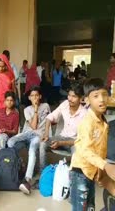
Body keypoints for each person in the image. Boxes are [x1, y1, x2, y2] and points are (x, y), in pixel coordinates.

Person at [70, 78, 115, 211]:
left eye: (104, 95)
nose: (101, 99)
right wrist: (105, 166)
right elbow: (84, 150)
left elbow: (100, 150)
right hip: (80, 172)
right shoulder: (87, 123)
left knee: (90, 207)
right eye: (96, 96)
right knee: (81, 208)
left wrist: (100, 171)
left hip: (92, 171)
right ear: (87, 100)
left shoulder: (102, 118)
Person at [7, 86, 51, 195]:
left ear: (40, 96)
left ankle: (27, 179)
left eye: (37, 95)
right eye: (32, 96)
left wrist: (36, 111)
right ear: (29, 98)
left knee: (32, 149)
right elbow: (32, 126)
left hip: (38, 135)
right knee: (10, 142)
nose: (35, 98)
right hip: (27, 133)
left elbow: (37, 127)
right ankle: (19, 165)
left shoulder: (45, 106)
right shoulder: (26, 110)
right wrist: (34, 110)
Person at [40, 82, 87, 171]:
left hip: (74, 142)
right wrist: (46, 134)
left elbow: (81, 140)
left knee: (77, 154)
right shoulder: (65, 104)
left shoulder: (84, 114)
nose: (70, 99)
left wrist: (60, 143)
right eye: (69, 95)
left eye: (74, 96)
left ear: (81, 99)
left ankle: (72, 178)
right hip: (61, 137)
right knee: (42, 144)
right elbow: (49, 118)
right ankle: (44, 172)